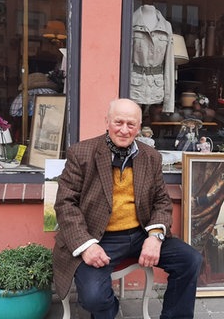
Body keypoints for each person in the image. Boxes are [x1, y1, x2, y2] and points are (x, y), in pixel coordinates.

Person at [52, 98, 203, 319]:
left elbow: (162, 201)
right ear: (107, 122)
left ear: (139, 127)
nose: (124, 130)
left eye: (131, 124)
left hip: (140, 233)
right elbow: (65, 204)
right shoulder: (81, 153)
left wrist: (155, 236)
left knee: (190, 260)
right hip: (98, 238)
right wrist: (86, 246)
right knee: (93, 298)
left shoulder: (150, 156)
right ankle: (110, 309)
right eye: (118, 122)